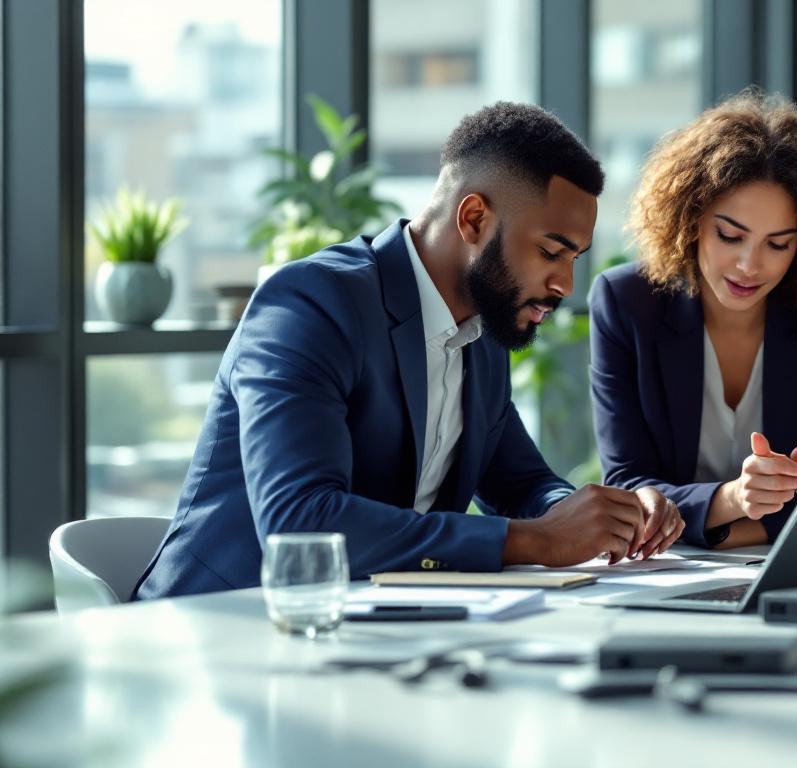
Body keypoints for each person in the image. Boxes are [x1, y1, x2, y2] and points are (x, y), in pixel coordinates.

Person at [136, 103, 683, 599]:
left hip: (371, 629)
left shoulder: (480, 332)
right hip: (220, 631)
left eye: (574, 259)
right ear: (474, 219)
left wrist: (598, 516)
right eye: (550, 252)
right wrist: (533, 541)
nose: (564, 284)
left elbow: (521, 483)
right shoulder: (312, 304)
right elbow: (298, 522)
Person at [589, 91, 797, 549]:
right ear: (690, 220)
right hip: (665, 576)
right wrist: (733, 499)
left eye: (778, 244)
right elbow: (627, 485)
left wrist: (714, 533)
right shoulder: (627, 302)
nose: (749, 265)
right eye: (729, 235)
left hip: (784, 566)